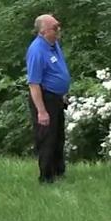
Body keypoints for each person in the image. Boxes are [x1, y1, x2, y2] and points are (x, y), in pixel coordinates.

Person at [26, 14, 71, 184]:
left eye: (58, 26)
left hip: (57, 97)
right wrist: (41, 111)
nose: (58, 30)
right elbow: (34, 84)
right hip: (45, 98)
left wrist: (63, 93)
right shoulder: (37, 50)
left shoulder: (54, 45)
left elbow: (57, 71)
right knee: (47, 138)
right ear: (44, 31)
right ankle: (46, 177)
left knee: (59, 136)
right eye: (55, 27)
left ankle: (59, 171)